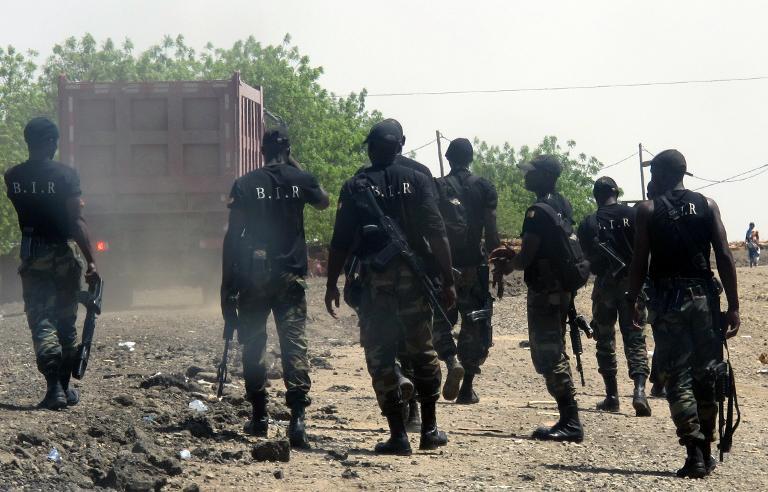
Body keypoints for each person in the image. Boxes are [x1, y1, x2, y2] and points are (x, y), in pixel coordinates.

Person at [325, 119, 456, 456]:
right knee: (423, 350)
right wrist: (448, 280)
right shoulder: (419, 179)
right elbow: (436, 232)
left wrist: (332, 284)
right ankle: (429, 429)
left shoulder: (356, 185)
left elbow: (340, 242)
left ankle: (398, 435)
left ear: (371, 147)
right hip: (414, 281)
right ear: (402, 143)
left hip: (375, 284)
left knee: (381, 355)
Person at [627, 149, 740, 478]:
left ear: (660, 175)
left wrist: (632, 299)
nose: (650, 180)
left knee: (678, 378)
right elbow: (724, 256)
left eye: (653, 174)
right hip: (705, 300)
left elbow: (639, 262)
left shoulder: (647, 210)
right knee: (708, 375)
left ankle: (694, 452)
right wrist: (733, 306)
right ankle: (706, 450)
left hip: (669, 301)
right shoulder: (707, 205)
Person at [221, 128, 330, 448]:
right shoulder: (302, 179)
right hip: (290, 277)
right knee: (294, 344)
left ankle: (259, 417)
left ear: (261, 151)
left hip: (253, 278)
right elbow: (323, 201)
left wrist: (226, 283)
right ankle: (297, 420)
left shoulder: (245, 184)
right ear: (288, 150)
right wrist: (293, 162)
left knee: (253, 344)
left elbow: (232, 235)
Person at [4, 117, 99, 410]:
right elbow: (76, 221)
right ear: (49, 142)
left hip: (32, 253)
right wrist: (92, 261)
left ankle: (54, 388)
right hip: (62, 252)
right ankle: (64, 387)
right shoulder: (66, 175)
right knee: (65, 320)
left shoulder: (13, 177)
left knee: (41, 321)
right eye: (55, 141)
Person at [489, 155, 584, 442]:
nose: (525, 177)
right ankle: (569, 418)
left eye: (530, 173)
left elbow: (527, 257)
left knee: (547, 353)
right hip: (562, 288)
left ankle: (571, 420)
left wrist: (508, 265)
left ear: (544, 175)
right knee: (556, 347)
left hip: (545, 290)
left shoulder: (535, 212)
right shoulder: (562, 204)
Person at [432, 138, 500, 403]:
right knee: (475, 325)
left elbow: (431, 228)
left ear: (448, 159)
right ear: (471, 159)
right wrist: (498, 260)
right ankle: (467, 388)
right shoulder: (484, 187)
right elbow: (491, 231)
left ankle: (450, 361)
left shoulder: (438, 186)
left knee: (439, 321)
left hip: (445, 268)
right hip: (475, 265)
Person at [577, 177, 651, 416]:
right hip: (634, 283)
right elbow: (646, 250)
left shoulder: (589, 222)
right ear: (616, 192)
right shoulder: (635, 214)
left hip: (605, 285)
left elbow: (586, 258)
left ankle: (612, 396)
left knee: (604, 339)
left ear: (596, 196)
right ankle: (639, 392)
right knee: (636, 338)